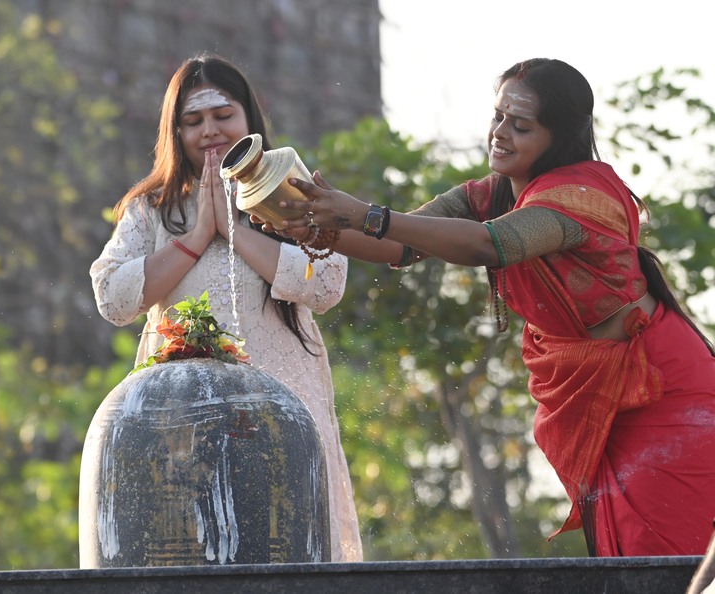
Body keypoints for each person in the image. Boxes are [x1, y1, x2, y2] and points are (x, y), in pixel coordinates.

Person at [263, 57, 715, 557]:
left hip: (660, 389)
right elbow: (401, 244)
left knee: (668, 554)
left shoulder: (579, 197)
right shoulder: (494, 191)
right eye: (497, 117)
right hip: (596, 392)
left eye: (520, 126)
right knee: (621, 550)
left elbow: (488, 245)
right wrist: (313, 223)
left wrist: (363, 214)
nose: (500, 133)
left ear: (560, 136)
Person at [89, 54, 363, 562]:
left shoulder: (289, 188)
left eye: (223, 115)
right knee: (186, 552)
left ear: (249, 119)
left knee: (286, 547)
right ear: (174, 132)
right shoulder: (152, 208)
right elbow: (112, 297)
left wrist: (233, 231)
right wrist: (196, 237)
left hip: (285, 405)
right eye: (192, 121)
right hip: (179, 425)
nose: (209, 131)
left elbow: (326, 283)